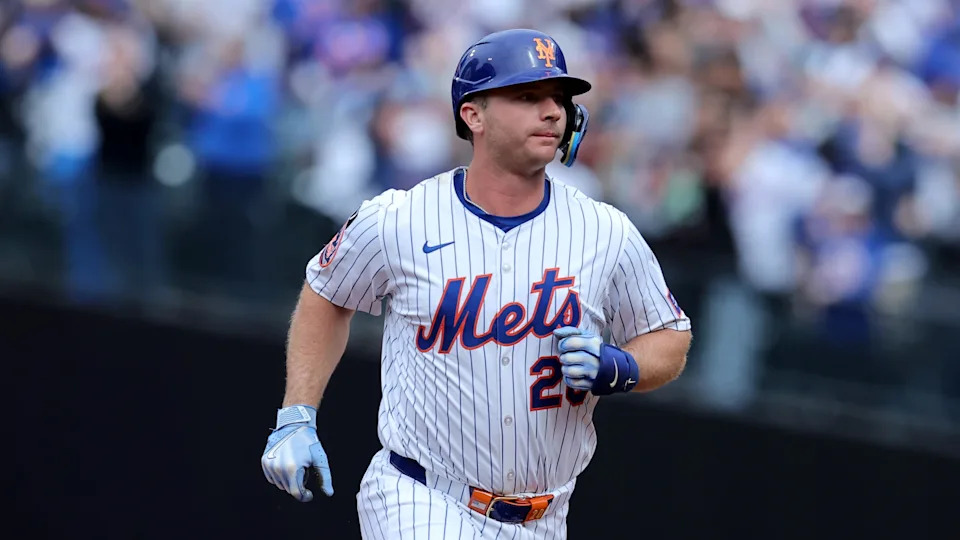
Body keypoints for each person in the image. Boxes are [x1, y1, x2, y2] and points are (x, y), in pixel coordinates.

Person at [261, 29, 693, 539]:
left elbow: (671, 336)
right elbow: (326, 293)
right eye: (528, 96)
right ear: (474, 114)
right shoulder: (401, 219)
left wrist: (624, 365)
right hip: (421, 496)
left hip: (546, 517)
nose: (552, 111)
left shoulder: (606, 232)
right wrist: (296, 414)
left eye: (559, 98)